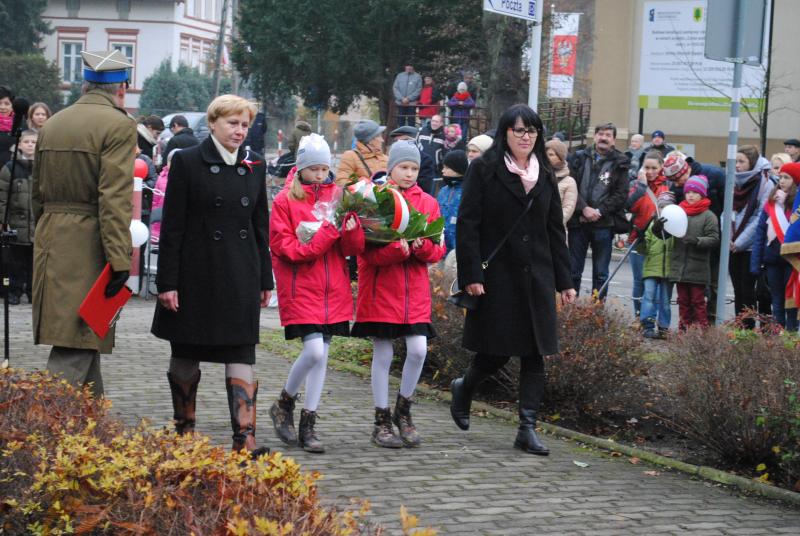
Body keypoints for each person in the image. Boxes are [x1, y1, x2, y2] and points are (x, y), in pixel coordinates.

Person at [151, 94, 273, 458]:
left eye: (245, 124)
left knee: (241, 351)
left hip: (240, 274)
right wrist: (167, 282)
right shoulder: (187, 161)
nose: (240, 131)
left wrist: (265, 279)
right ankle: (184, 430)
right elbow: (172, 226)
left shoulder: (255, 165)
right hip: (195, 274)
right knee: (186, 351)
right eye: (233, 123)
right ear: (213, 123)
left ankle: (244, 439)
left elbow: (260, 227)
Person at [450, 104, 575, 456]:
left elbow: (555, 229)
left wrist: (565, 280)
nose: (525, 137)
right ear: (505, 133)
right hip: (498, 276)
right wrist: (471, 274)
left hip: (537, 276)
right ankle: (465, 386)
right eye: (518, 130)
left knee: (535, 353)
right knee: (497, 352)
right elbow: (468, 224)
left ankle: (527, 428)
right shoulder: (484, 168)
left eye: (531, 130)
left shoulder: (545, 172)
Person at [31, 50, 137, 397]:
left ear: (85, 85)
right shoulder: (119, 125)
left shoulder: (53, 123)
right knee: (75, 341)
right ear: (121, 88)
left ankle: (94, 422)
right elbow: (114, 199)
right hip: (90, 243)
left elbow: (37, 194)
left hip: (52, 237)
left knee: (83, 334)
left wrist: (44, 233)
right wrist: (120, 259)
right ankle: (43, 420)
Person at [268, 134, 364, 453]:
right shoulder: (285, 201)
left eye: (325, 169)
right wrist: (327, 234)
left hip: (332, 288)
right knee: (314, 352)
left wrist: (352, 231)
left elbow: (351, 250)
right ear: (301, 168)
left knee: (322, 354)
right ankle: (285, 401)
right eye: (314, 169)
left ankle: (308, 421)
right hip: (302, 287)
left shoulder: (339, 197)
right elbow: (286, 248)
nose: (321, 175)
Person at [351, 140, 445, 448]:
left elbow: (438, 248)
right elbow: (365, 252)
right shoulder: (375, 198)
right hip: (381, 291)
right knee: (384, 353)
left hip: (414, 293)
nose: (409, 173)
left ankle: (404, 410)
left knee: (418, 350)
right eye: (403, 167)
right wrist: (395, 250)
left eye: (414, 168)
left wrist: (422, 247)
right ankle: (381, 419)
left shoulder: (428, 202)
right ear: (391, 168)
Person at [567, 122, 630, 298]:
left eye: (608, 135)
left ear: (614, 140)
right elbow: (570, 186)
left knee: (601, 274)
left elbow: (621, 194)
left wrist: (599, 211)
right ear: (594, 136)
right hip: (578, 223)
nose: (603, 138)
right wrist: (584, 209)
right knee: (573, 271)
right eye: (601, 134)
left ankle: (596, 310)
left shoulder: (620, 162)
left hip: (604, 224)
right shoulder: (578, 158)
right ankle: (569, 310)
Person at [750, 162, 800, 331]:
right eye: (780, 177)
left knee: (791, 301)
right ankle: (779, 334)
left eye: (787, 178)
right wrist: (756, 263)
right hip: (772, 260)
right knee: (777, 301)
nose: (782, 181)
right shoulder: (771, 204)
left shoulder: (797, 206)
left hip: (792, 260)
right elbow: (760, 233)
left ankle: (791, 334)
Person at [730, 145, 775, 328]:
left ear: (752, 162)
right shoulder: (733, 181)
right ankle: (740, 327)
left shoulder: (765, 183)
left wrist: (739, 242)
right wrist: (729, 238)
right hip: (732, 245)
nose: (737, 165)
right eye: (736, 161)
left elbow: (760, 218)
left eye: (741, 161)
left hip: (750, 247)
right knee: (738, 291)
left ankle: (749, 328)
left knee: (748, 289)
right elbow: (727, 210)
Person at [669, 175, 719, 330]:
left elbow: (714, 239)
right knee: (683, 302)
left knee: (698, 302)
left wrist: (697, 240)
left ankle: (701, 333)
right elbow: (668, 233)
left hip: (698, 268)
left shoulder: (708, 216)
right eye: (688, 192)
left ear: (702, 194)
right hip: (680, 267)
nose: (690, 195)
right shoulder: (679, 212)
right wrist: (660, 228)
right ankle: (684, 331)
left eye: (695, 192)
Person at [0, 129, 38, 304]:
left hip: (36, 224)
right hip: (16, 223)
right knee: (15, 262)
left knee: (34, 262)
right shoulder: (10, 168)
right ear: (20, 145)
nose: (30, 145)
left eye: (34, 142)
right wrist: (3, 221)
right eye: (27, 142)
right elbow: (2, 197)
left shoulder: (43, 167)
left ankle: (32, 292)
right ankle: (14, 291)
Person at [636, 185, 675, 339]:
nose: (663, 210)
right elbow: (643, 250)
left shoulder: (676, 227)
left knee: (665, 301)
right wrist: (640, 241)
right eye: (661, 207)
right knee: (649, 297)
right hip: (651, 268)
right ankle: (647, 325)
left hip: (668, 270)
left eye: (667, 207)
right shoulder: (652, 225)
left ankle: (664, 327)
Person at [336, 119, 388, 185]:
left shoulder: (385, 158)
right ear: (370, 140)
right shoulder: (350, 156)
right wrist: (362, 185)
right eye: (379, 136)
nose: (382, 140)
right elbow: (341, 182)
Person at [437, 149, 467, 255]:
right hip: (440, 246)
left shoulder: (468, 191)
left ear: (458, 168)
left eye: (447, 167)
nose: (443, 171)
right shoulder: (443, 191)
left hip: (458, 249)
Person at [389, 125, 435, 195]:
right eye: (396, 141)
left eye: (402, 141)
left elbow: (425, 188)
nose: (409, 174)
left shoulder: (425, 160)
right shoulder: (392, 157)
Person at [545, 139, 577, 228]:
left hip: (554, 229)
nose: (546, 157)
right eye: (545, 154)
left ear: (560, 157)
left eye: (551, 155)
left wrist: (550, 222)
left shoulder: (569, 181)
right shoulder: (535, 175)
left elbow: (568, 209)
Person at [0, 86, 15, 167]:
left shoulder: (20, 124)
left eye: (7, 104)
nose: (2, 107)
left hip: (11, 170)